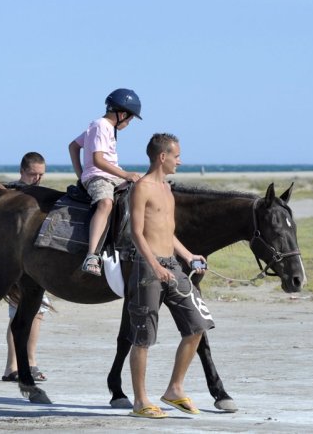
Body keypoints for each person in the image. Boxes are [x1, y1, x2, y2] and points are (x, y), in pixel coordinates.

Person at [127, 133, 215, 419]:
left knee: (197, 325)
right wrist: (154, 265)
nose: (180, 160)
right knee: (143, 336)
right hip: (147, 268)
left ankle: (174, 389)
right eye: (176, 156)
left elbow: (167, 232)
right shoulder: (142, 187)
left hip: (172, 265)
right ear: (162, 157)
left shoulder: (167, 188)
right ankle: (140, 401)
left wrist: (188, 256)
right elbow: (136, 233)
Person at [68, 88, 142, 276]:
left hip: (109, 175)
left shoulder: (104, 127)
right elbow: (99, 160)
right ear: (122, 114)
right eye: (131, 119)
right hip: (99, 176)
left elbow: (73, 146)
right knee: (106, 202)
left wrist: (80, 173)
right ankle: (91, 255)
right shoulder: (101, 125)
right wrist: (85, 175)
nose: (129, 123)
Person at [2, 151, 50, 382]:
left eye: (41, 175)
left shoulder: (38, 195)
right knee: (20, 314)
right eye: (32, 174)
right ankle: (15, 365)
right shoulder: (14, 196)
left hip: (36, 264)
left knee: (37, 314)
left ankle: (28, 362)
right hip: (15, 263)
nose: (37, 179)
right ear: (22, 172)